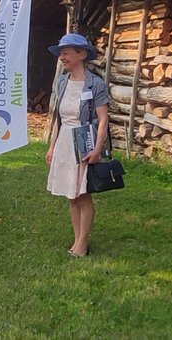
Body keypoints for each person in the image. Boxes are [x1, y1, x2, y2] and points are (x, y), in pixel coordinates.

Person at [45, 33, 111, 258]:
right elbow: (58, 118)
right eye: (61, 53)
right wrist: (52, 147)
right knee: (71, 194)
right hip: (65, 139)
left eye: (66, 53)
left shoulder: (95, 84)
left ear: (80, 55)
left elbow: (103, 119)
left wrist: (97, 148)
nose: (62, 57)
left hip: (84, 140)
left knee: (83, 193)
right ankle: (76, 238)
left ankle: (83, 243)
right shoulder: (62, 81)